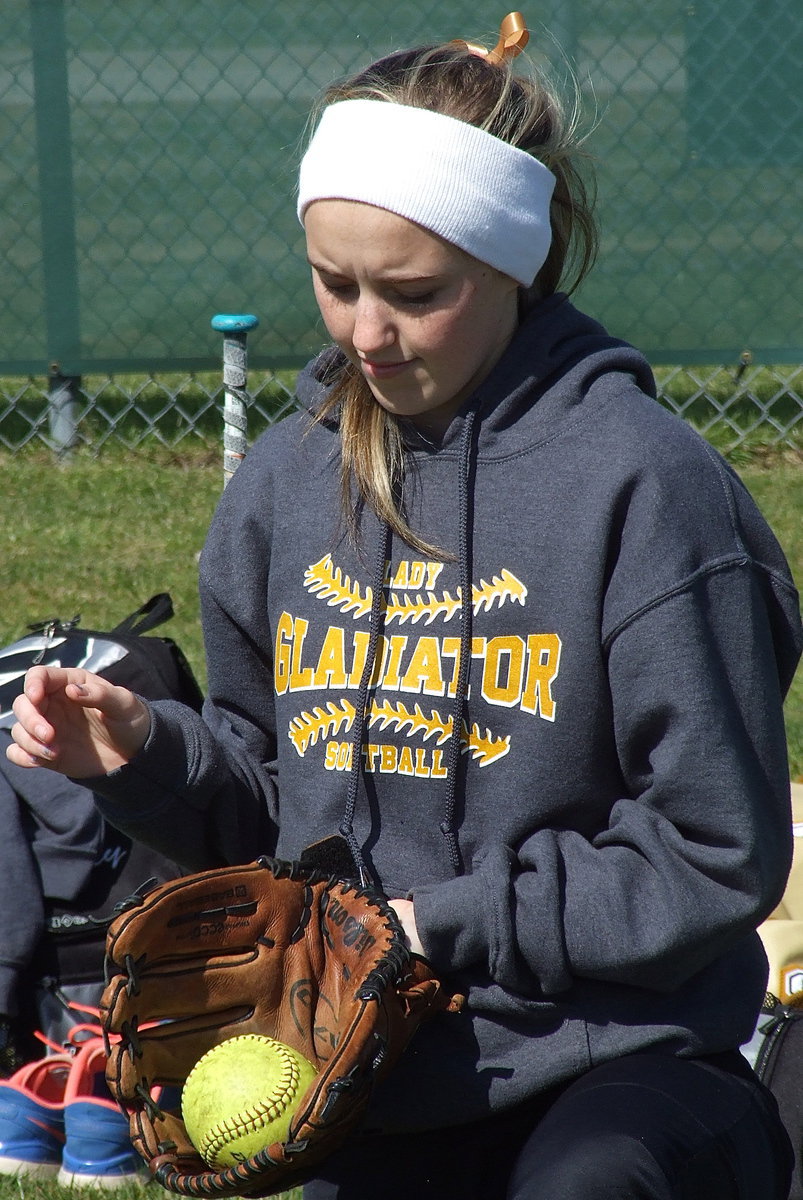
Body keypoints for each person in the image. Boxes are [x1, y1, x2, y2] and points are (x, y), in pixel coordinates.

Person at [6, 13, 803, 1198]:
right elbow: (272, 815)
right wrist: (144, 756)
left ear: (514, 263)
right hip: (355, 1066)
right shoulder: (285, 482)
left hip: (616, 1057)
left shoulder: (643, 487)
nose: (365, 333)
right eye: (334, 285)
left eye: (414, 293)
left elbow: (712, 851)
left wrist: (439, 924)